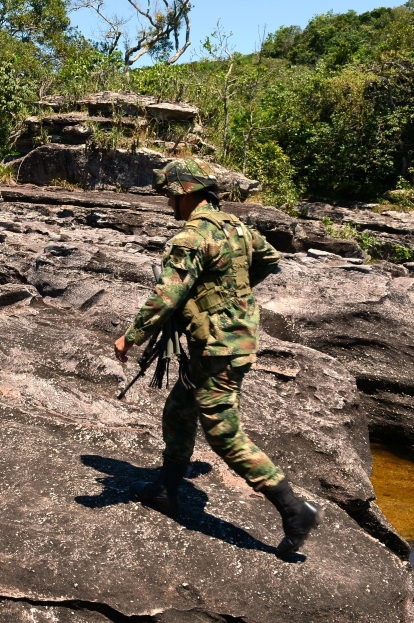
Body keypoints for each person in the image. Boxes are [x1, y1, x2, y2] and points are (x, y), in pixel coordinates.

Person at [113, 158, 322, 558]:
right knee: (178, 410)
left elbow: (167, 295)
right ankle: (166, 490)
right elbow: (268, 260)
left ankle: (295, 510)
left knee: (223, 430)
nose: (169, 202)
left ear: (186, 193)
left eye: (171, 194)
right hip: (226, 340)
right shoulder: (237, 227)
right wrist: (229, 296)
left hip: (218, 347)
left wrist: (131, 337)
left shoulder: (193, 237)